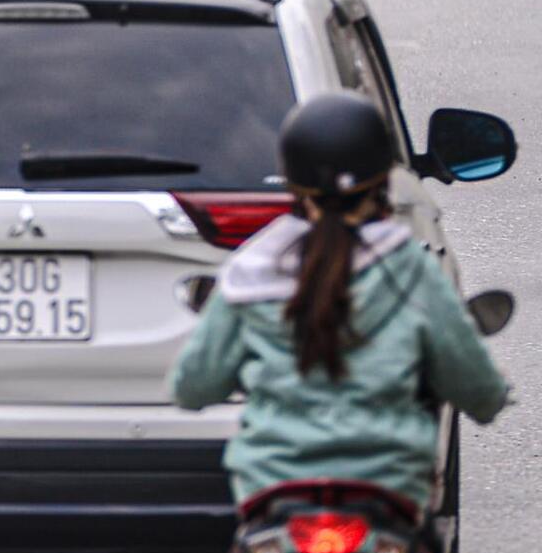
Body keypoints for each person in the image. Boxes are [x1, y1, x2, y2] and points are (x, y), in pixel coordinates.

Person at [171, 91, 509, 510]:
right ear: (383, 178)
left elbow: (193, 386)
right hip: (389, 483)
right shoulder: (408, 267)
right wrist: (490, 398)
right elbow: (471, 378)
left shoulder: (253, 267)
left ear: (291, 178)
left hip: (272, 482)